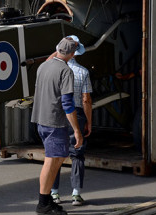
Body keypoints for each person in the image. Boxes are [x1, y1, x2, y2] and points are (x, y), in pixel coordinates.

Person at [31, 36, 83, 215]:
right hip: (55, 122)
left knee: (56, 160)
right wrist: (77, 130)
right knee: (51, 161)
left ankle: (47, 200)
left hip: (41, 119)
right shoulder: (66, 71)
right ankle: (43, 204)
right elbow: (68, 104)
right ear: (72, 53)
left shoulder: (43, 66)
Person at [49, 35, 92, 207]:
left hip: (58, 115)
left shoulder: (52, 69)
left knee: (55, 154)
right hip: (78, 115)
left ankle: (54, 193)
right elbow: (86, 99)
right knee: (77, 155)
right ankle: (76, 194)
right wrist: (88, 121)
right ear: (76, 52)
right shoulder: (83, 72)